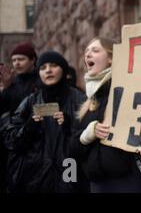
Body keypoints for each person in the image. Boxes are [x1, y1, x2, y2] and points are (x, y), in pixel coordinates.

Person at [69, 37, 141, 193]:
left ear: (111, 59)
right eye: (87, 51)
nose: (88, 55)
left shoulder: (129, 92)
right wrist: (86, 135)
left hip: (129, 182)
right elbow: (72, 149)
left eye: (95, 50)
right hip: (98, 185)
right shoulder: (87, 102)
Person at [3, 51, 87, 192]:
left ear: (63, 69)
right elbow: (11, 141)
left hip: (70, 169)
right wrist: (29, 127)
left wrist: (69, 125)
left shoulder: (79, 99)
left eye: (53, 66)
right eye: (43, 68)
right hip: (36, 176)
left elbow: (89, 137)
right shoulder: (30, 101)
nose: (48, 70)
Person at [0, 42, 40, 193]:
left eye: (21, 59)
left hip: (36, 142)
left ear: (32, 60)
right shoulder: (11, 83)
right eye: (14, 60)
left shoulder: (40, 81)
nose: (16, 63)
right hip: (14, 143)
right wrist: (6, 89)